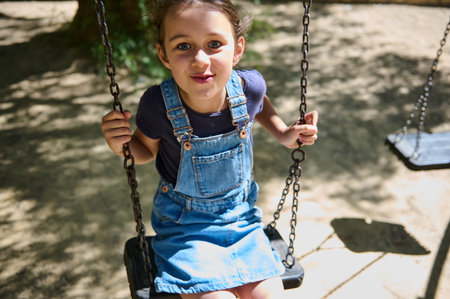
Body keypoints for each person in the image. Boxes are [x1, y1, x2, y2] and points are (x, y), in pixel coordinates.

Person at [101, 1, 318, 298]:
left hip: (240, 217)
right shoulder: (157, 104)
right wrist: (121, 145)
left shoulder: (248, 86)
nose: (200, 59)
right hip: (184, 227)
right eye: (183, 46)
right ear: (163, 54)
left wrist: (284, 132)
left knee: (270, 294)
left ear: (237, 49)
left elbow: (260, 104)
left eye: (214, 44)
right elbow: (144, 151)